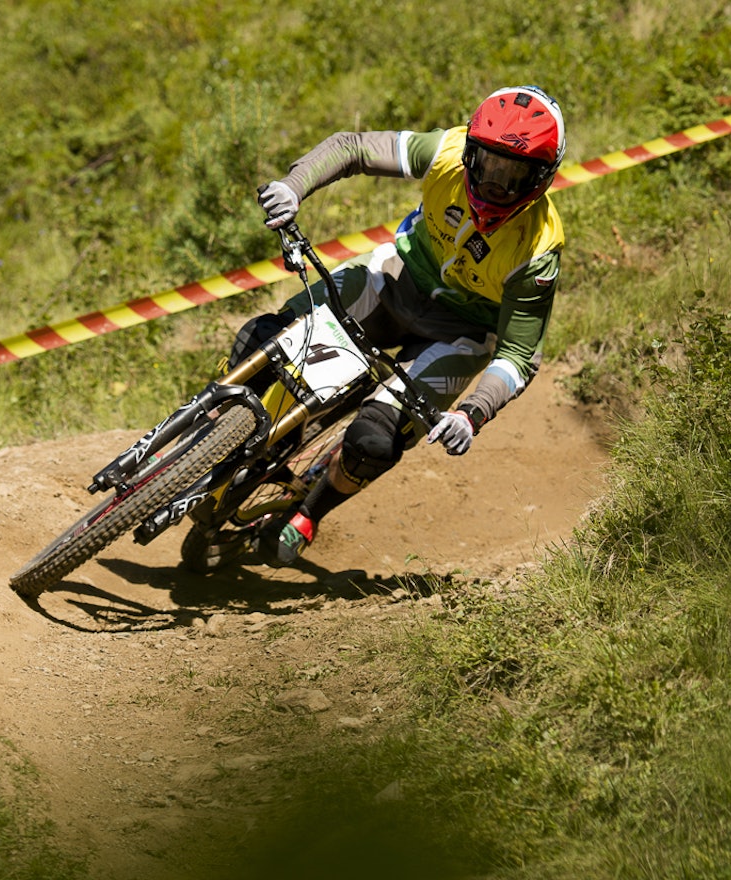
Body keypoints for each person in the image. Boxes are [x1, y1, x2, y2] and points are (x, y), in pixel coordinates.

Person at [196, 85, 566, 569]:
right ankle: (204, 429)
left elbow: (518, 356)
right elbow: (352, 148)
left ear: (541, 178)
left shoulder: (540, 249)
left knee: (374, 440)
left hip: (460, 332)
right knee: (267, 337)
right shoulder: (446, 152)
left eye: (512, 175)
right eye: (486, 163)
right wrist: (294, 186)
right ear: (470, 150)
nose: (493, 183)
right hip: (396, 278)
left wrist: (472, 413)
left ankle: (309, 512)